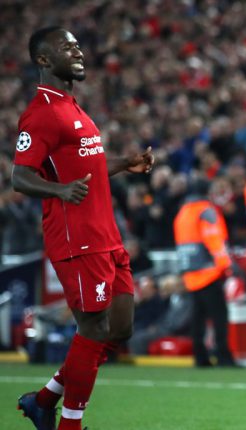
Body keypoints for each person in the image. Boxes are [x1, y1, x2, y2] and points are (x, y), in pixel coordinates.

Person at [13, 27, 154, 430]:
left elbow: (86, 167)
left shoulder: (74, 107)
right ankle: (70, 424)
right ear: (43, 60)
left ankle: (43, 400)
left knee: (119, 329)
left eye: (77, 46)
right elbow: (20, 176)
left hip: (106, 234)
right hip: (76, 237)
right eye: (66, 47)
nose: (77, 52)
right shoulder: (42, 113)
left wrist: (124, 163)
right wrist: (58, 189)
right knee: (93, 327)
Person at [173, 180, 237, 367]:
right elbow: (214, 240)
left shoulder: (182, 213)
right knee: (219, 316)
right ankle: (223, 356)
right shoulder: (206, 211)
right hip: (209, 273)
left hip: (190, 275)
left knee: (197, 318)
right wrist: (226, 266)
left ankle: (200, 357)